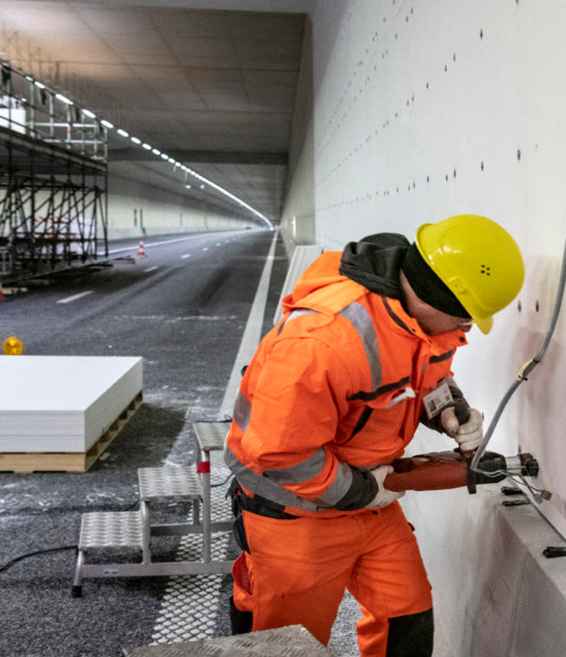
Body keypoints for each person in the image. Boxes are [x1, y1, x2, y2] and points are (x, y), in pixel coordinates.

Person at [223, 214, 524, 656]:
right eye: (465, 317)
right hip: (294, 512)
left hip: (369, 501)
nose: (468, 329)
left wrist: (448, 409)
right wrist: (365, 491)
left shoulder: (419, 322)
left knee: (406, 617)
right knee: (285, 644)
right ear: (437, 294)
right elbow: (282, 453)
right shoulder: (322, 341)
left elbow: (423, 375)